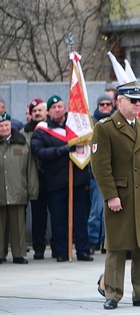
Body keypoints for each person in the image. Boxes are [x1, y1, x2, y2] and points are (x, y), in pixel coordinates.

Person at [91, 81, 140, 309]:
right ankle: (113, 293)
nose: (138, 105)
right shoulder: (105, 128)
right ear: (120, 101)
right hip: (121, 197)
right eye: (133, 101)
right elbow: (101, 167)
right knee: (117, 245)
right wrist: (110, 195)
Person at [30, 95, 92, 262]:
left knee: (80, 217)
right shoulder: (42, 131)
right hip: (56, 182)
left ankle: (83, 250)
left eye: (60, 106)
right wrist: (62, 150)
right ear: (48, 112)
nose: (57, 110)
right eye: (53, 107)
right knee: (59, 220)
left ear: (65, 109)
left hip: (77, 180)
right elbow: (39, 152)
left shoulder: (75, 128)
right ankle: (62, 251)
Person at [0, 113, 39, 264]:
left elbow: (30, 169)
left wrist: (32, 190)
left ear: (11, 126)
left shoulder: (22, 144)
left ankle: (18, 254)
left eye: (6, 125)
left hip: (18, 189)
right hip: (1, 192)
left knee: (18, 225)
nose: (4, 128)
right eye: (1, 126)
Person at [23, 98, 49, 260]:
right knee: (38, 216)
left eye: (40, 110)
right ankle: (38, 247)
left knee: (58, 214)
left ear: (46, 112)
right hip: (33, 178)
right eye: (34, 111)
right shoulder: (23, 133)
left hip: (53, 177)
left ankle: (58, 246)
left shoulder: (54, 129)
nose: (37, 113)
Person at [88, 95, 114, 254]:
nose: (105, 107)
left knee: (110, 211)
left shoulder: (117, 122)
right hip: (96, 174)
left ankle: (106, 240)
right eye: (102, 104)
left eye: (108, 104)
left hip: (114, 172)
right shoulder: (91, 124)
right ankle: (92, 240)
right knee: (96, 211)